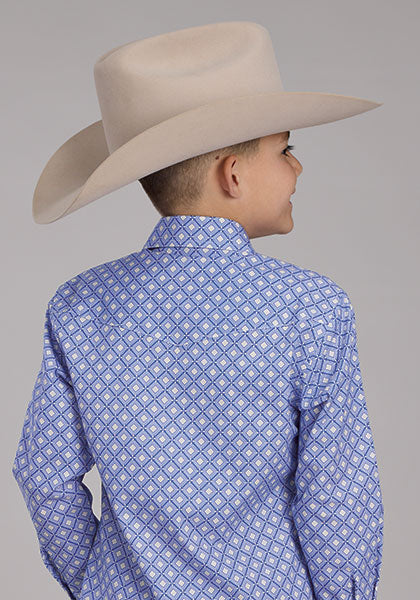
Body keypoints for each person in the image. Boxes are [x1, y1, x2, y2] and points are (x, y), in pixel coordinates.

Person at [11, 21, 384, 600]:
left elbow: (44, 474)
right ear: (232, 175)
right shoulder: (311, 309)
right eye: (286, 150)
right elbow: (337, 498)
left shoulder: (81, 305)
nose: (298, 167)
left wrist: (99, 583)